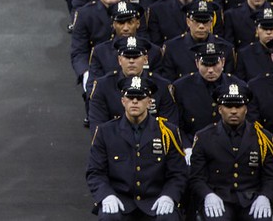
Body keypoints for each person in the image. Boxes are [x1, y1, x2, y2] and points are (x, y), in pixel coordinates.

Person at [86, 76, 188, 220]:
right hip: (121, 201)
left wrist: (169, 196)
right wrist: (106, 195)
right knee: (109, 217)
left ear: (149, 102)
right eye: (130, 97)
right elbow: (95, 172)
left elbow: (178, 173)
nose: (135, 101)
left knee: (168, 218)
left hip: (155, 201)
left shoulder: (167, 132)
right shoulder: (105, 132)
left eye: (140, 97)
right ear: (123, 101)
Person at [190, 82, 273, 220]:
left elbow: (270, 175)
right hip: (219, 197)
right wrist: (207, 195)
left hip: (252, 198)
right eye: (228, 106)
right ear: (220, 109)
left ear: (246, 109)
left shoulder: (263, 137)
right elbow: (196, 177)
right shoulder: (204, 137)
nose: (234, 111)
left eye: (239, 106)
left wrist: (265, 196)